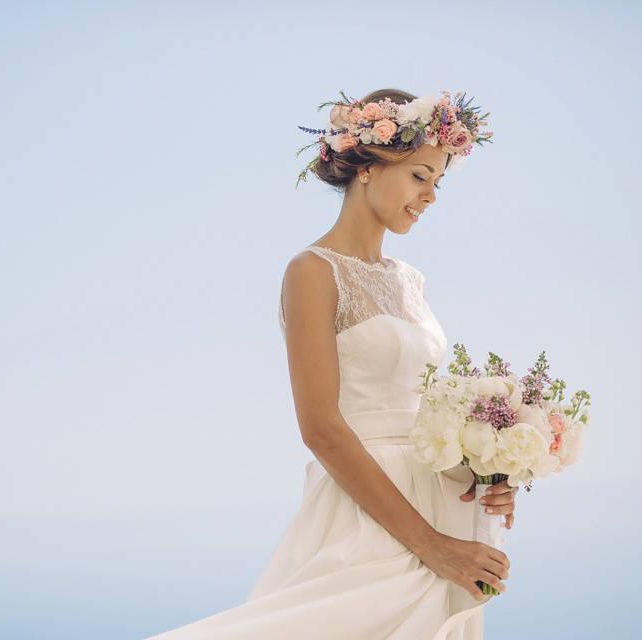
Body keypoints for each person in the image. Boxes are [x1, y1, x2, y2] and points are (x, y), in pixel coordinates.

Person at [145, 88, 516, 640]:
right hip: (370, 518)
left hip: (442, 504)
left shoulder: (409, 280)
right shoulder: (312, 272)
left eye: (438, 182)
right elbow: (320, 427)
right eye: (419, 176)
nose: (431, 195)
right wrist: (432, 546)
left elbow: (423, 408)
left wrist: (488, 469)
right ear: (367, 165)